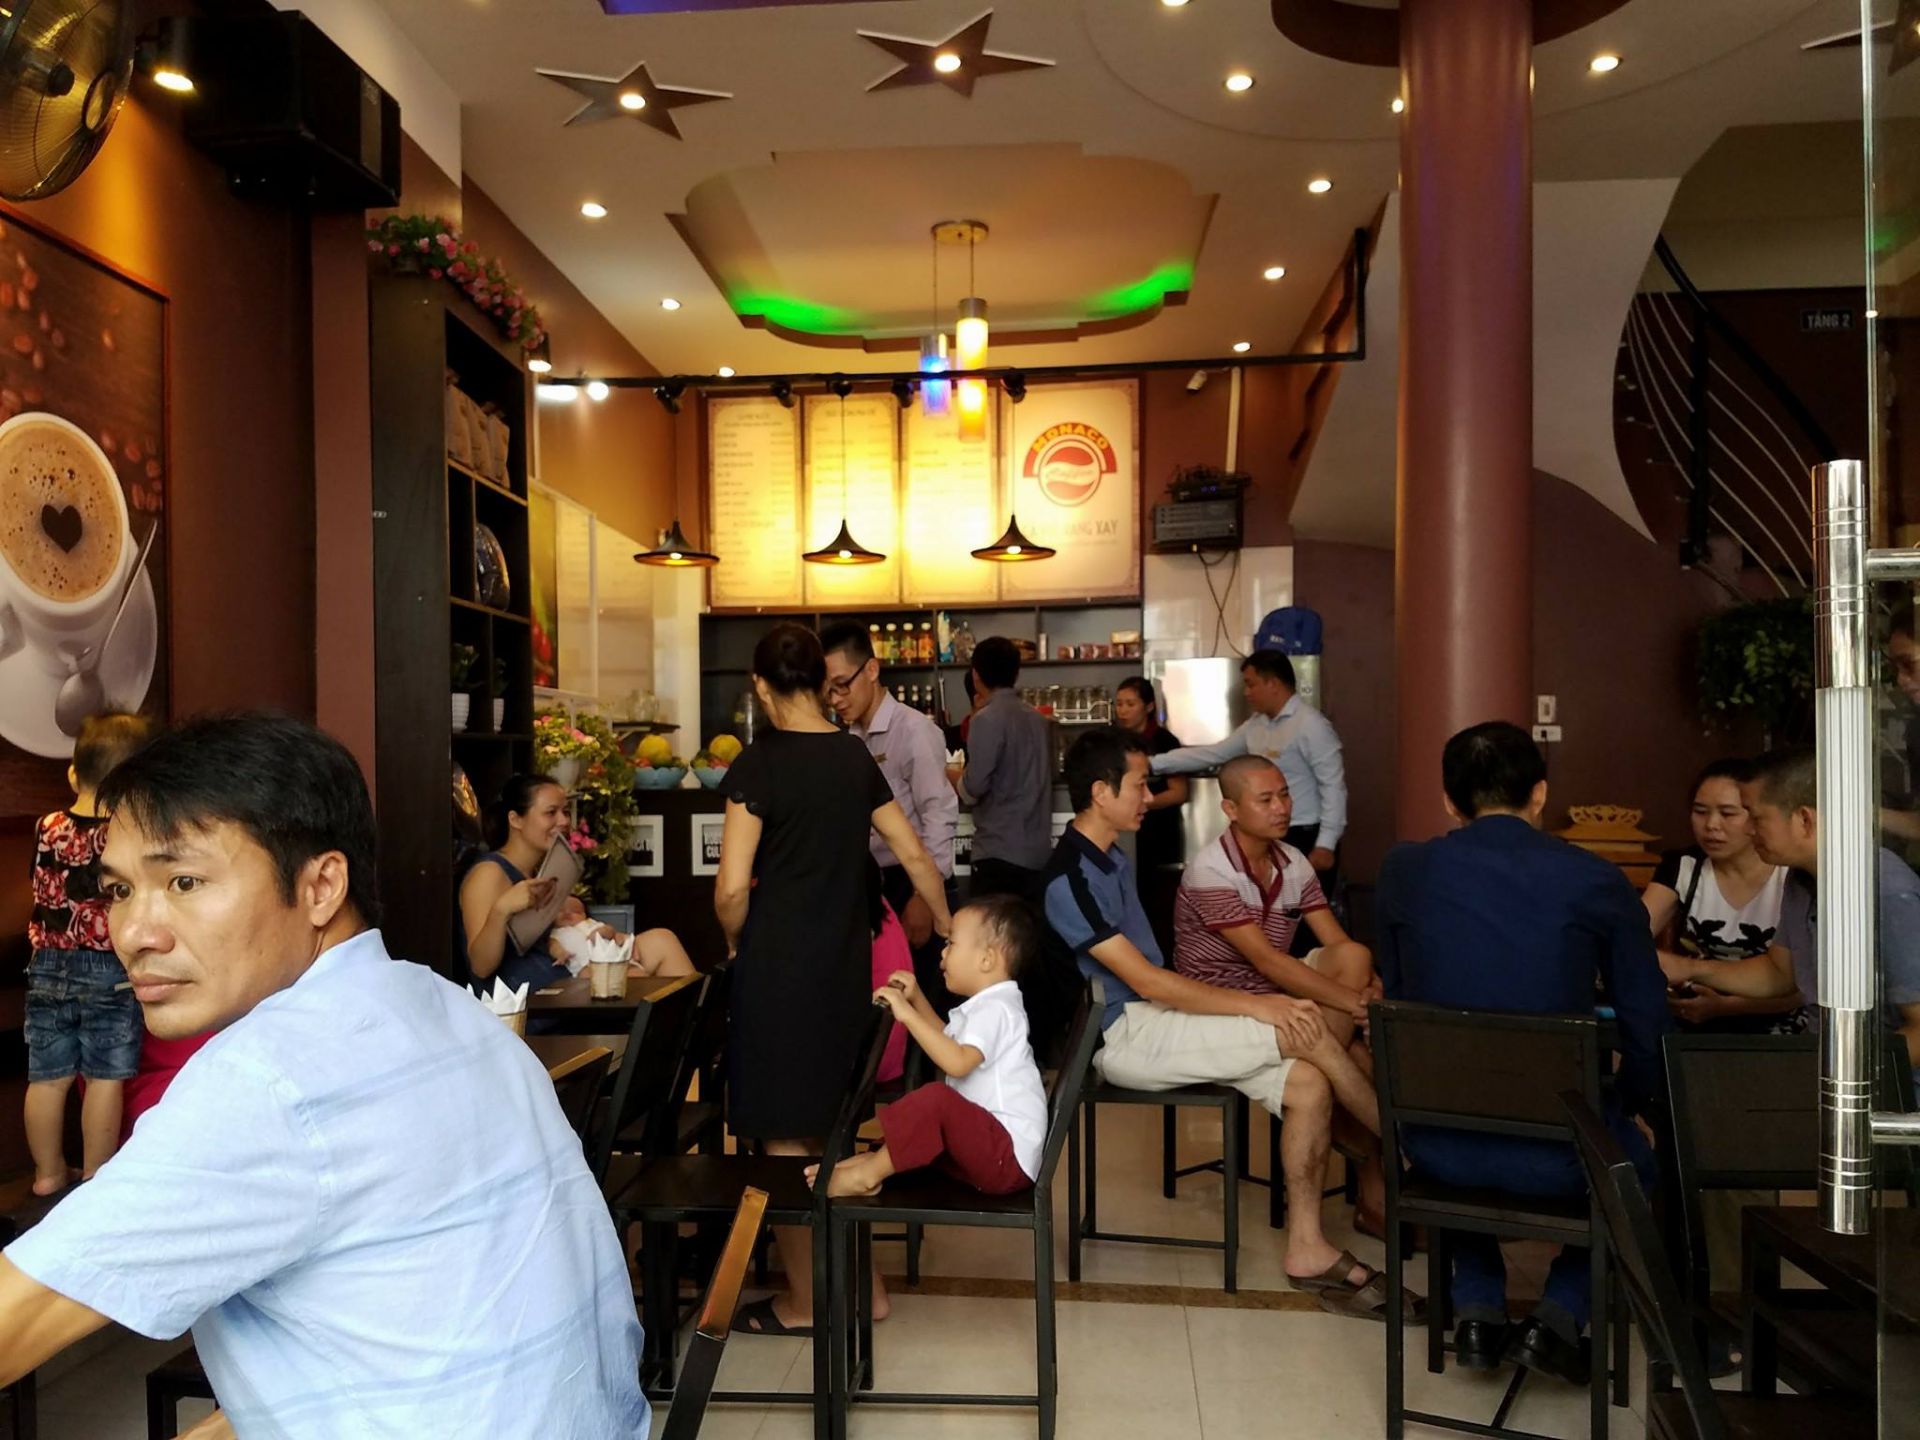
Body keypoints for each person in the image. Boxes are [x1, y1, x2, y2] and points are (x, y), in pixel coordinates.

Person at [0, 713, 648, 1437]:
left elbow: (13, 1318)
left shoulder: (268, 1080)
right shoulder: (450, 1010)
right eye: (119, 891)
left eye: (184, 880)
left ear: (320, 886)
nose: (133, 933)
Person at [1042, 728, 1416, 1321]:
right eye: (1140, 785)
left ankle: (1307, 1248)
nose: (1151, 796)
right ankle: (1413, 1156)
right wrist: (1257, 1005)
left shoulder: (1111, 857)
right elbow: (1147, 982)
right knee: (1305, 1028)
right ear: (1100, 792)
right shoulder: (1070, 877)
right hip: (1121, 1035)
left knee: (1309, 1084)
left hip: (1156, 1016)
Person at [1374, 720, 1671, 1383]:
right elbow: (1647, 1019)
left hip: (1433, 1144)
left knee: (1460, 1098)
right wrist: (1631, 1104)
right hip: (1560, 1156)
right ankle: (1558, 1316)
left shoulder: (1403, 871)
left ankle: (1479, 1306)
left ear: (1449, 800)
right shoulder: (1595, 878)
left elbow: (1399, 995)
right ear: (1540, 794)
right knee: (1640, 1161)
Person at [715, 622, 954, 1336]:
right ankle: (866, 1288)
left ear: (760, 687)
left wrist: (736, 942)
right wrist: (946, 927)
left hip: (777, 975)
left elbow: (731, 889)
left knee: (782, 1142)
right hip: (845, 972)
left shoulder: (759, 763)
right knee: (833, 1131)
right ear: (822, 681)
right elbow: (915, 855)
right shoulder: (853, 756)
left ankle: (806, 1302)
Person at [1172, 753, 1387, 1227]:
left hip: (1277, 993)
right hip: (1222, 1004)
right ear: (1231, 810)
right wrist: (1359, 1009)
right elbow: (1267, 961)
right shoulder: (1212, 870)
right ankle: (1389, 1178)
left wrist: (1370, 988)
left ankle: (1331, 1088)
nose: (1282, 808)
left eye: (1285, 795)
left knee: (1355, 956)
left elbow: (1337, 943)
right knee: (1359, 1058)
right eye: (1266, 799)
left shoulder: (1293, 862)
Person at [1661, 746, 1920, 1099]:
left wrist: (1825, 1078)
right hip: (1824, 1073)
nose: (1748, 830)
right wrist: (1688, 968)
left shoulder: (1886, 890)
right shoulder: (1800, 879)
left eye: (1756, 818)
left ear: (1804, 820)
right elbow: (1779, 973)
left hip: (1886, 1095)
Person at [810, 895, 1047, 1199]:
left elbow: (957, 1062)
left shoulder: (997, 1009)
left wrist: (906, 1014)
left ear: (986, 960)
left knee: (937, 1101)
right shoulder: (988, 1005)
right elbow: (948, 1041)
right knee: (923, 1129)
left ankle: (868, 1175)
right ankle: (873, 1160)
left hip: (1005, 1157)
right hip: (991, 1149)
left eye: (951, 944)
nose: (943, 953)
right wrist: (916, 999)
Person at [22, 711, 156, 1196]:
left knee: (48, 1077)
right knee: (104, 1077)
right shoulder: (125, 834)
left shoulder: (47, 826)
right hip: (108, 968)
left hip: (46, 965)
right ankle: (97, 1176)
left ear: (74, 774)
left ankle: (47, 1174)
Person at [824, 620, 962, 1010]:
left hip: (914, 883)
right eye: (827, 691)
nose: (835, 700)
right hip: (874, 887)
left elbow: (938, 813)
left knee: (922, 1006)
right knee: (882, 1003)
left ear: (871, 669)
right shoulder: (850, 738)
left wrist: (924, 897)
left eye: (842, 685)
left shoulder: (913, 730)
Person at [459, 773, 693, 992]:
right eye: (551, 813)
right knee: (637, 979)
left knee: (663, 941)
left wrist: (613, 940)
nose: (563, 821)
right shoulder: (489, 872)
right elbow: (481, 967)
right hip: (538, 994)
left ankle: (699, 1021)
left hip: (567, 970)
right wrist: (501, 910)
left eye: (565, 812)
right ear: (516, 820)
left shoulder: (538, 871)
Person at [1149, 649, 1346, 879]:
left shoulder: (1311, 725)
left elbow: (1333, 786)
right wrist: (1151, 764)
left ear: (1273, 684)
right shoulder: (1257, 725)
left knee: (1303, 901)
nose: (1246, 692)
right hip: (1267, 834)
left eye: (1251, 684)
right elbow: (1214, 753)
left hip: (1304, 835)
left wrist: (1326, 844)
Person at [1642, 758, 1796, 1033]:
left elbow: (1809, 985)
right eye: (1700, 811)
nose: (1712, 825)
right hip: (1693, 1019)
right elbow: (1632, 933)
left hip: (1779, 1025)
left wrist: (1727, 1007)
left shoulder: (1793, 874)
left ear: (1757, 817)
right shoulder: (1684, 866)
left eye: (1728, 814)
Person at [950, 636, 1054, 904]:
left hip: (998, 854)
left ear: (976, 676)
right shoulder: (1039, 720)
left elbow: (973, 789)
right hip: (1038, 855)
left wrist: (951, 775)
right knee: (1028, 928)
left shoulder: (985, 719)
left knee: (992, 929)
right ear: (1016, 673)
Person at [1113, 677, 1188, 874]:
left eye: (1130, 704)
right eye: (1119, 704)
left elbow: (1178, 792)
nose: (1123, 711)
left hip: (1159, 831)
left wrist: (1141, 804)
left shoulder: (1165, 741)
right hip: (1124, 831)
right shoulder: (1113, 740)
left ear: (1149, 707)